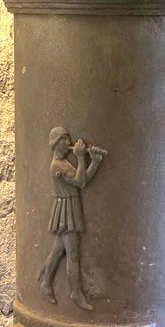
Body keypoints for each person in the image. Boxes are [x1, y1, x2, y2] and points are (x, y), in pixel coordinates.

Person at [39, 126, 107, 311]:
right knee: (73, 255)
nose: (68, 143)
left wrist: (94, 163)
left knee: (58, 251)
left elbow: (82, 178)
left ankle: (45, 283)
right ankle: (75, 293)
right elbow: (80, 182)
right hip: (66, 210)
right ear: (56, 143)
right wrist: (80, 157)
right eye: (64, 140)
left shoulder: (63, 163)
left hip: (69, 206)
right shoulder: (57, 166)